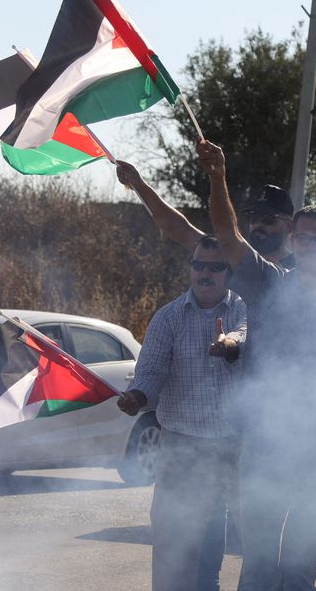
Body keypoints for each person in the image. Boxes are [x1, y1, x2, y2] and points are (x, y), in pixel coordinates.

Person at [196, 139, 316, 591]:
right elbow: (227, 238)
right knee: (259, 566)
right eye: (307, 237)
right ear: (293, 240)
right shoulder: (268, 283)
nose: (315, 245)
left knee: (300, 568)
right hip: (266, 446)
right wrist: (218, 177)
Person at [116, 235, 247, 591]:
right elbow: (151, 369)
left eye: (215, 267)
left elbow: (243, 336)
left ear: (229, 272)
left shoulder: (242, 309)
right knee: (173, 542)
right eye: (198, 265)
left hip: (236, 447)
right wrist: (138, 396)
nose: (205, 274)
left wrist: (230, 345)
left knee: (254, 539)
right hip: (181, 447)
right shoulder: (168, 316)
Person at [115, 160, 295, 266]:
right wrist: (138, 184)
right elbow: (179, 229)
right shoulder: (237, 256)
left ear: (288, 226)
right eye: (253, 218)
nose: (258, 226)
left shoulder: (301, 270)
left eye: (268, 220)